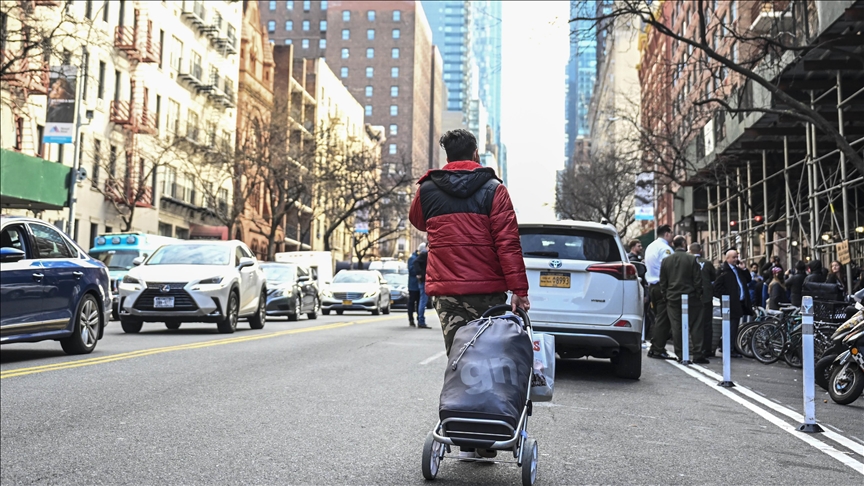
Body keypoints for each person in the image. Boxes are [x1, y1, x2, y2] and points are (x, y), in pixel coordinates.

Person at [409, 128, 529, 461]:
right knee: (489, 360)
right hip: (488, 291)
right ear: (476, 154)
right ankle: (485, 439)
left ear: (447, 156)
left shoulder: (428, 189)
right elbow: (508, 243)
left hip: (447, 292)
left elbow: (417, 219)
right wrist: (518, 290)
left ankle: (465, 434)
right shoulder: (495, 189)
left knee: (459, 360)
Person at [659, 236, 703, 362]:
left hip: (673, 297)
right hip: (691, 296)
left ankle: (681, 353)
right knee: (696, 325)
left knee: (676, 326)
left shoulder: (666, 260)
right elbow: (697, 279)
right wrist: (698, 293)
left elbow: (663, 281)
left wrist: (665, 294)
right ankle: (697, 352)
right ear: (684, 244)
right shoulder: (691, 259)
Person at [713, 249, 752, 358]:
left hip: (739, 302)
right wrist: (728, 296)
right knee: (731, 326)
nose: (736, 259)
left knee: (734, 326)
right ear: (728, 258)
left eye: (737, 257)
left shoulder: (738, 270)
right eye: (734, 257)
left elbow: (748, 280)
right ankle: (728, 348)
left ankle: (730, 347)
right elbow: (716, 288)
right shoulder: (723, 271)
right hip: (730, 303)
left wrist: (744, 269)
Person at [644, 224, 675, 359]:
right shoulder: (665, 249)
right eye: (671, 233)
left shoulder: (651, 246)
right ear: (667, 234)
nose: (673, 236)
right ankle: (657, 349)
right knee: (663, 319)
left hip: (652, 286)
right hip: (662, 286)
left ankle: (656, 346)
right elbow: (669, 268)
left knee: (659, 318)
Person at [690, 242, 717, 360]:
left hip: (692, 296)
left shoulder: (688, 262)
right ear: (700, 250)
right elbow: (713, 277)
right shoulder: (707, 263)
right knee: (707, 323)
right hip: (706, 296)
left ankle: (693, 347)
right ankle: (707, 349)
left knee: (693, 323)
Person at [406, 245, 422, 327]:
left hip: (419, 285)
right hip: (413, 285)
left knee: (420, 303)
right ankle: (411, 319)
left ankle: (419, 319)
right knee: (412, 303)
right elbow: (411, 270)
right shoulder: (412, 258)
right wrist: (419, 271)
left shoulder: (420, 257)